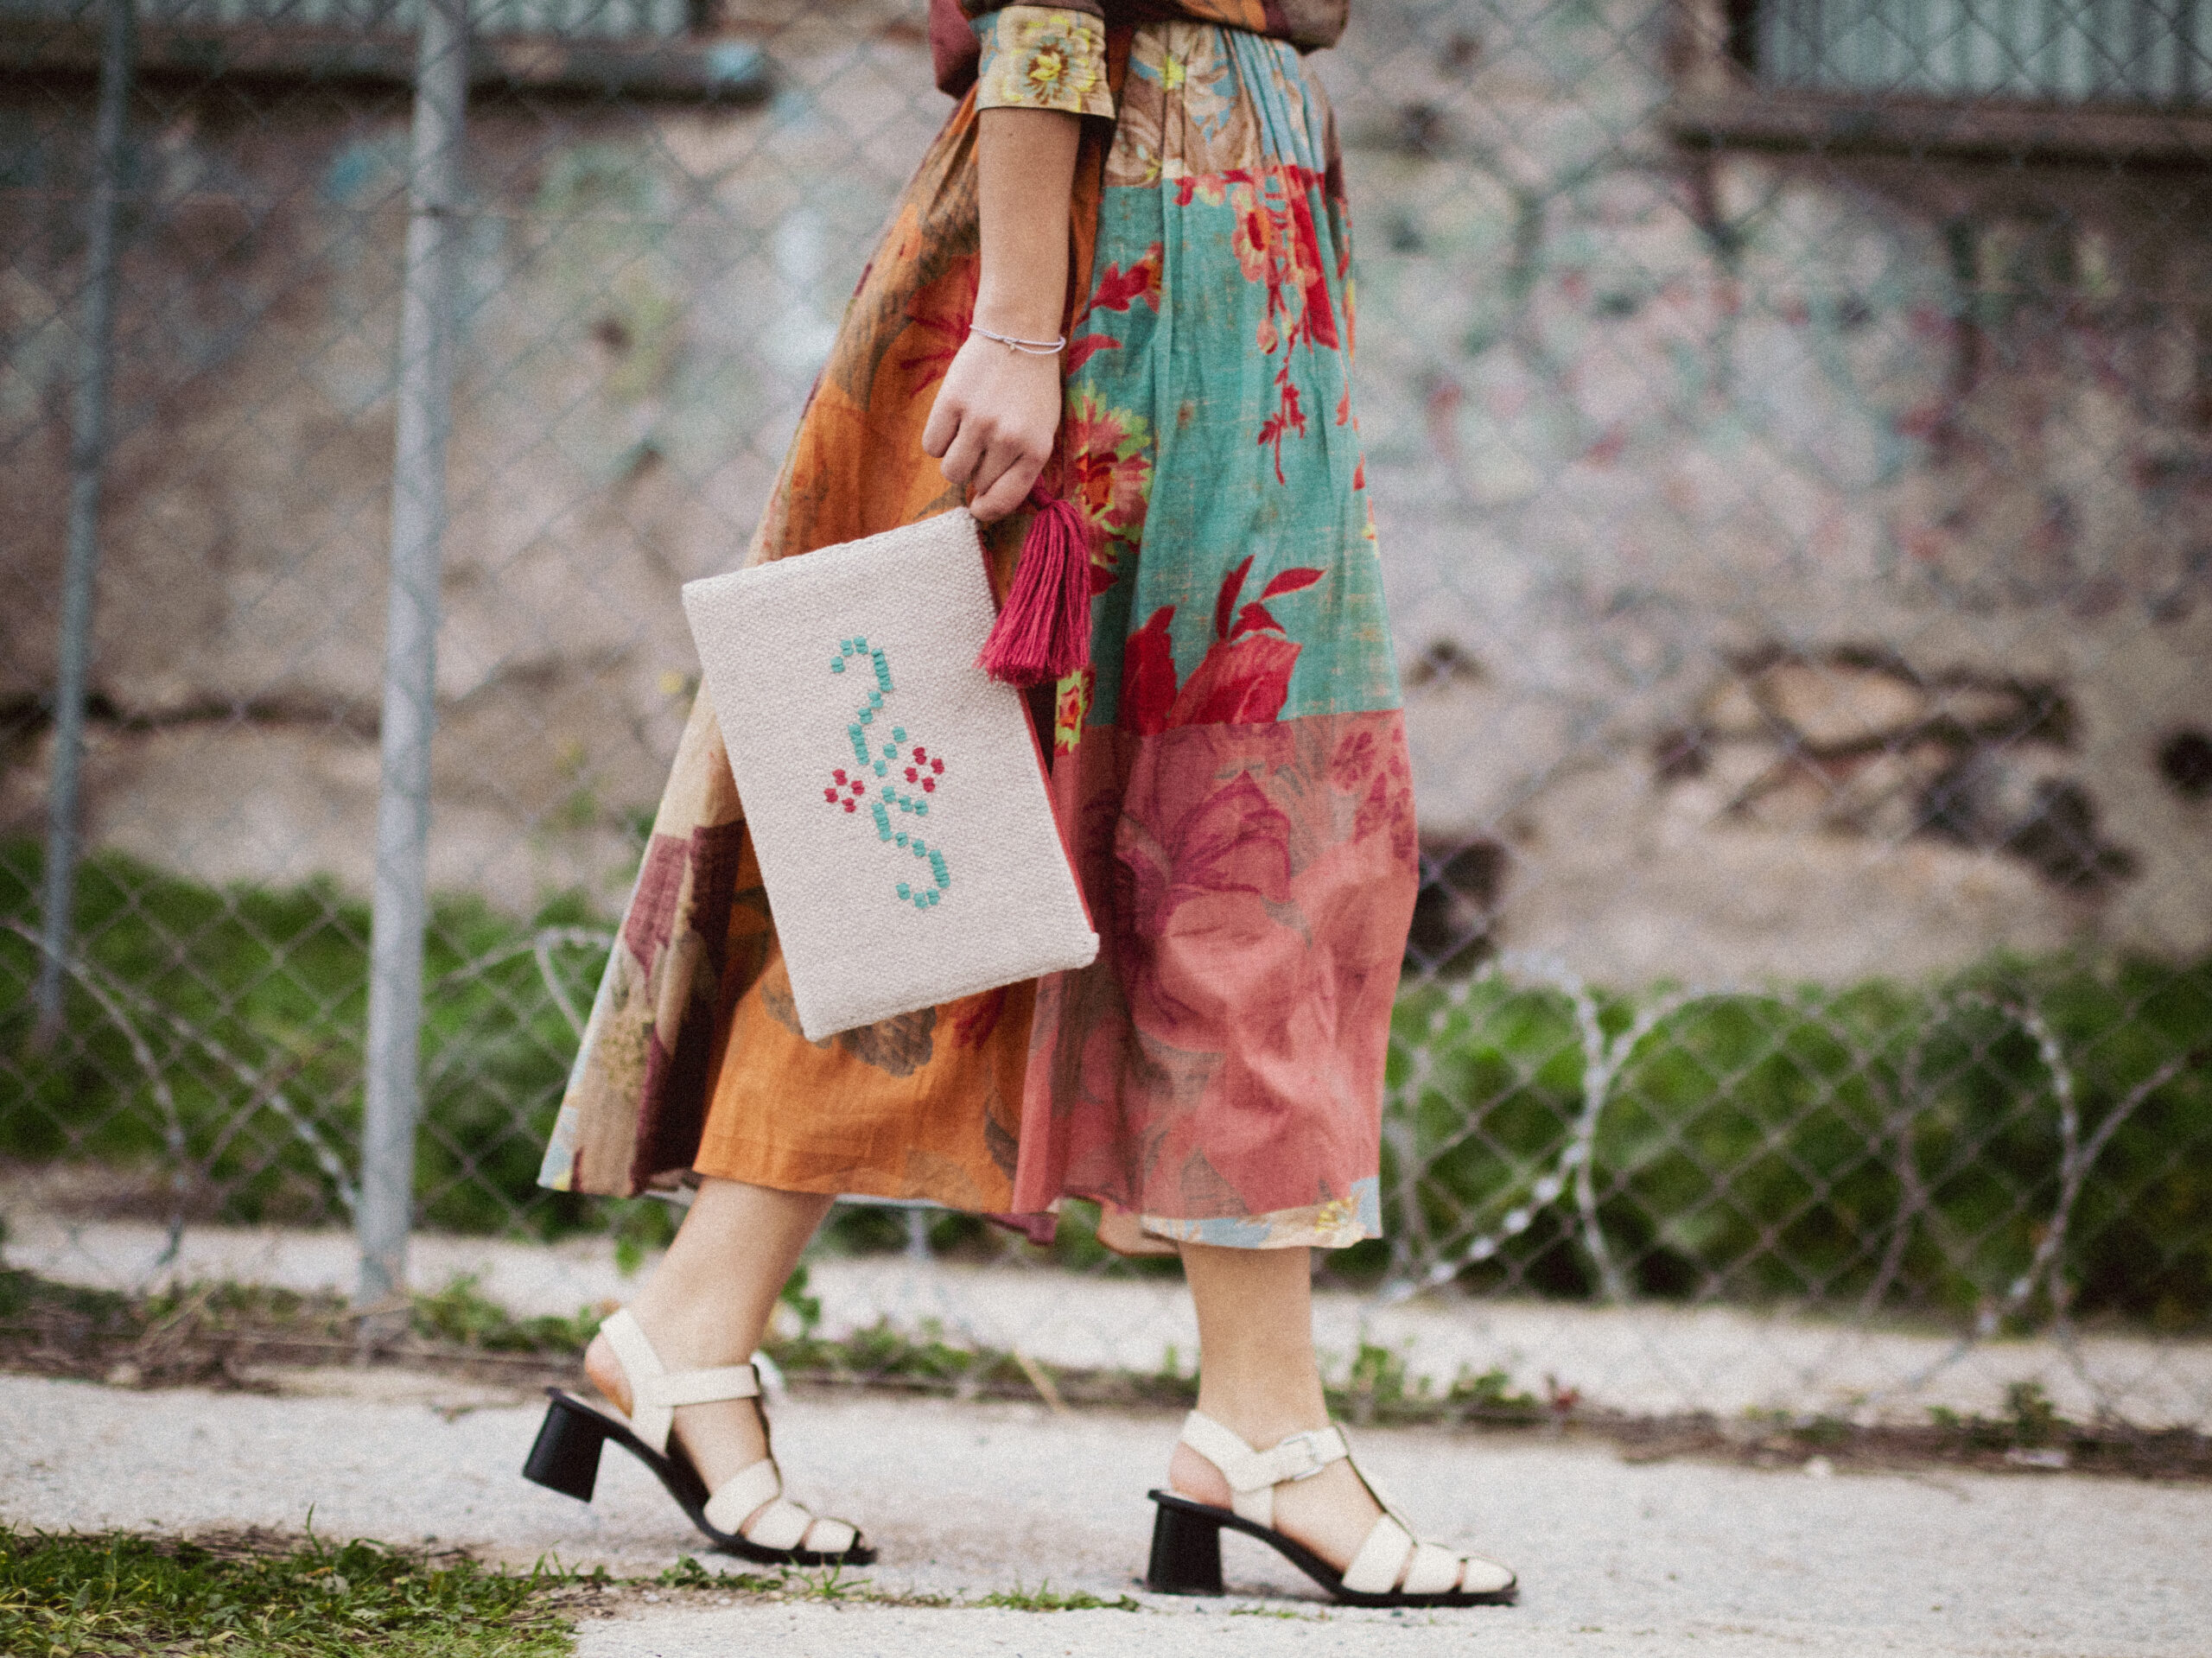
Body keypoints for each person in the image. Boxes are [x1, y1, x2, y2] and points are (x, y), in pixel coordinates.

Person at [520, 0, 1516, 1608]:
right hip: (1113, 252)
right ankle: (1262, 1434)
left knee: (985, 823)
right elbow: (1046, 9)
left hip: (1219, 243)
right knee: (1062, 818)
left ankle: (688, 1333)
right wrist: (1025, 331)